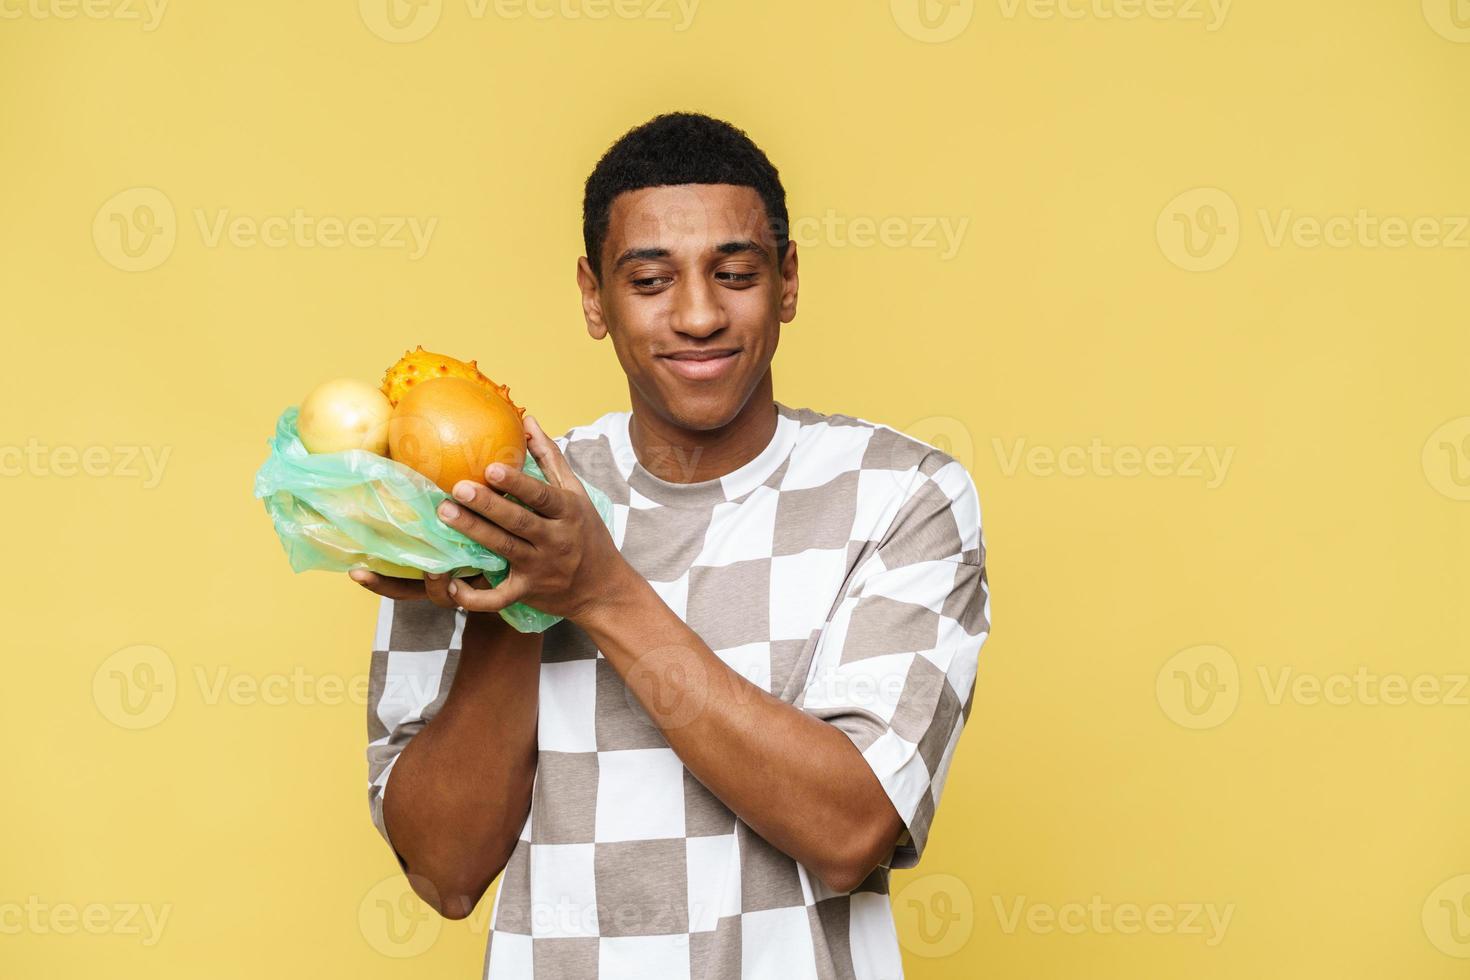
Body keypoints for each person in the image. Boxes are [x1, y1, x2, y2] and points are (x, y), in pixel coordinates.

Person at [352, 111, 991, 980]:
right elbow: (444, 872)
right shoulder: (494, 498)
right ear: (593, 297)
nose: (698, 315)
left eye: (734, 274)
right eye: (650, 280)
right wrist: (520, 587)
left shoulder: (899, 495)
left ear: (789, 281)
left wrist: (598, 590)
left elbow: (851, 831)